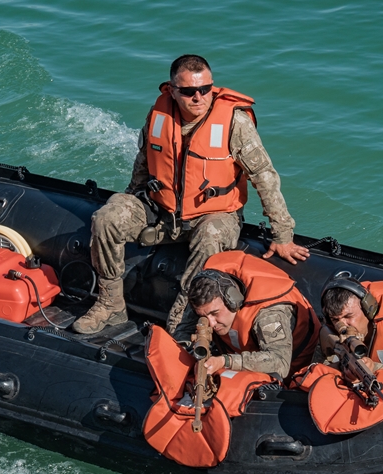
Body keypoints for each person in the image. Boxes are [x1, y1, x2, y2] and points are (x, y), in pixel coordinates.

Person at [72, 54, 309, 335]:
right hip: (162, 212)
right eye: (188, 91)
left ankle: (182, 322)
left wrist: (282, 235)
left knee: (210, 235)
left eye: (205, 89)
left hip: (213, 215)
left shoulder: (235, 123)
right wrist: (132, 198)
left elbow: (265, 178)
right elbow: (144, 163)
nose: (198, 97)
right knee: (107, 217)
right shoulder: (158, 115)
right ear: (172, 90)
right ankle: (110, 304)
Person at [182, 251, 319, 382]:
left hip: (295, 364)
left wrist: (225, 361)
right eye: (204, 316)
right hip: (236, 353)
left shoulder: (268, 315)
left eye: (215, 313)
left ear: (233, 300)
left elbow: (280, 363)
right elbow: (183, 331)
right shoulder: (204, 296)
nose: (211, 323)